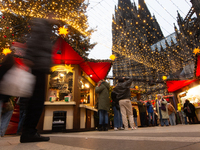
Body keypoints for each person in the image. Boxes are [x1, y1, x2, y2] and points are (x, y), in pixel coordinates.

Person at [20, 16, 58, 143]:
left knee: (36, 101)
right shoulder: (42, 25)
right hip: (38, 66)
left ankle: (29, 131)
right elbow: (33, 41)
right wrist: (29, 55)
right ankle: (29, 132)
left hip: (40, 66)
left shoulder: (46, 28)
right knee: (36, 101)